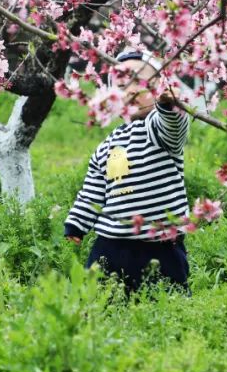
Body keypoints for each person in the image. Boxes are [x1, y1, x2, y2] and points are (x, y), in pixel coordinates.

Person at [64, 50, 191, 293]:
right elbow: (94, 190)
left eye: (140, 82)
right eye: (123, 85)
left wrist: (168, 105)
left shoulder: (157, 129)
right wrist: (77, 224)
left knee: (168, 298)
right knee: (101, 299)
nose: (132, 90)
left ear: (159, 86)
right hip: (112, 242)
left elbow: (175, 128)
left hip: (161, 244)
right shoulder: (109, 143)